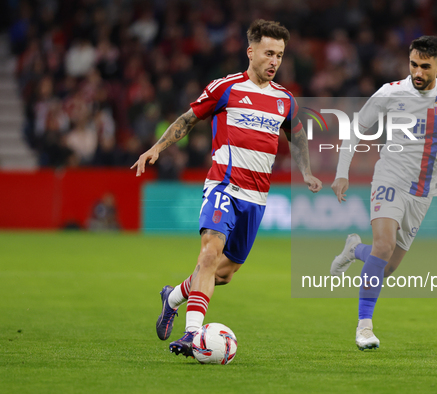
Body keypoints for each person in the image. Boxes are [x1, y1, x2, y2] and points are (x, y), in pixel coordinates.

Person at [132, 19, 322, 358]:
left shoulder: (285, 100)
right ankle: (193, 334)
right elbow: (188, 119)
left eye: (279, 55)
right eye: (268, 53)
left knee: (224, 273)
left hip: (256, 197)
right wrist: (157, 148)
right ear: (251, 52)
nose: (274, 61)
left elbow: (298, 136)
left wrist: (305, 172)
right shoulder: (226, 88)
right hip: (223, 185)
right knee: (209, 253)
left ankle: (173, 296)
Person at [330, 36, 437, 350]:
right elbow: (356, 128)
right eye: (414, 64)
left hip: (424, 192)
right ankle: (364, 327)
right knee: (385, 245)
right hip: (390, 177)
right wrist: (341, 172)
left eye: (425, 66)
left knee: (385, 265)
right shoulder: (390, 92)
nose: (417, 71)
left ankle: (354, 250)